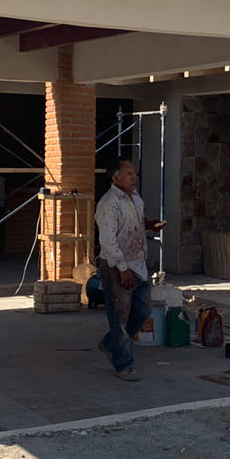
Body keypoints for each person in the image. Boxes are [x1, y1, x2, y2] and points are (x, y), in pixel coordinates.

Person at [95, 158, 165, 381]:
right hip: (118, 266)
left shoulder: (135, 197)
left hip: (138, 263)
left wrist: (149, 224)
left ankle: (110, 344)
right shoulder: (108, 203)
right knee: (120, 317)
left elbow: (135, 221)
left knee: (143, 310)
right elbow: (108, 241)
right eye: (128, 174)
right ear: (115, 178)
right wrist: (122, 269)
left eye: (134, 173)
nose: (134, 177)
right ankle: (123, 364)